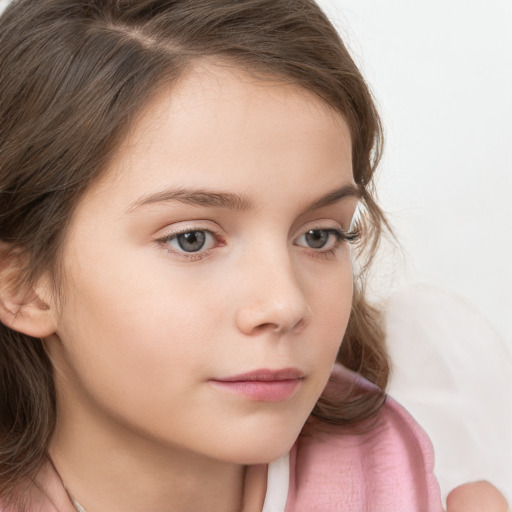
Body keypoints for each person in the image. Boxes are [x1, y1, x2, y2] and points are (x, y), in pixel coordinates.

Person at [0, 1, 507, 511]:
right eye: (191, 239)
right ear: (22, 284)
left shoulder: (419, 481)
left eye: (318, 236)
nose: (285, 305)